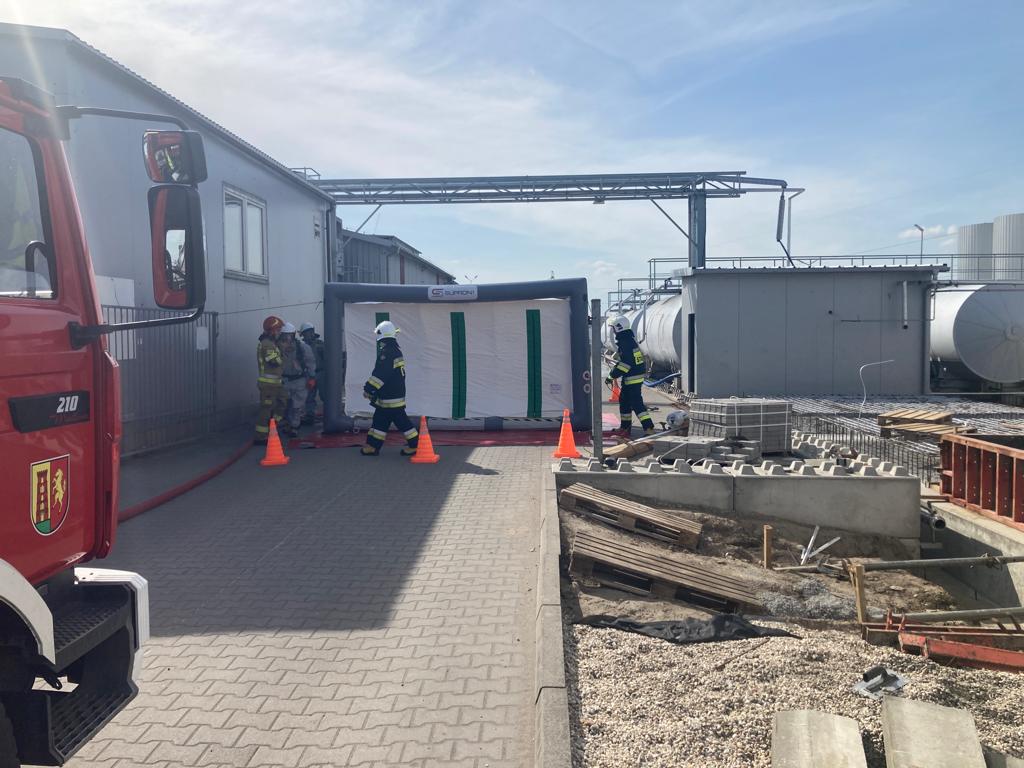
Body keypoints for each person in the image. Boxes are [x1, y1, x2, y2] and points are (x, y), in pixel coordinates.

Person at [361, 321, 419, 456]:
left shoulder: (387, 353)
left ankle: (416, 445)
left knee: (402, 422)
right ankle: (372, 446)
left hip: (390, 397)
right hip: (391, 395)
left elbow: (380, 375)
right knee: (380, 420)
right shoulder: (394, 351)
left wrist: (369, 389)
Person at [605, 315, 655, 436]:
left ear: (619, 328)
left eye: (613, 328)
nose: (613, 331)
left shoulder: (625, 342)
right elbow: (626, 362)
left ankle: (649, 428)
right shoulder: (628, 340)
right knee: (624, 402)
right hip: (631, 378)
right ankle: (625, 428)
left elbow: (625, 365)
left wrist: (612, 376)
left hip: (633, 379)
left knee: (636, 404)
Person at [278, 322, 316, 437]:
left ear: (294, 335)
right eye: (285, 335)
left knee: (297, 406)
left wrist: (312, 377)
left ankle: (294, 426)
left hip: (299, 380)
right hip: (284, 380)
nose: (288, 338)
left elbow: (310, 362)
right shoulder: (276, 347)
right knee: (284, 404)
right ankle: (287, 424)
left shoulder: (302, 347)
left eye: (289, 335)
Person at [255, 315, 288, 444]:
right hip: (268, 385)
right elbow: (275, 361)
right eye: (278, 330)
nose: (279, 333)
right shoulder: (267, 344)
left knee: (283, 402)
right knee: (266, 409)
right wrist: (282, 351)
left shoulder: (272, 344)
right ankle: (261, 436)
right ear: (272, 330)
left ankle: (273, 426)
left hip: (276, 384)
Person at [299, 322, 326, 425]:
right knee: (309, 396)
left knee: (325, 395)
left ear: (313, 332)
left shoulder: (320, 344)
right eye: (306, 333)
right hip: (309, 374)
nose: (308, 335)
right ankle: (310, 416)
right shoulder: (302, 346)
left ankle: (330, 414)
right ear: (303, 334)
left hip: (321, 373)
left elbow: (328, 359)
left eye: (310, 332)